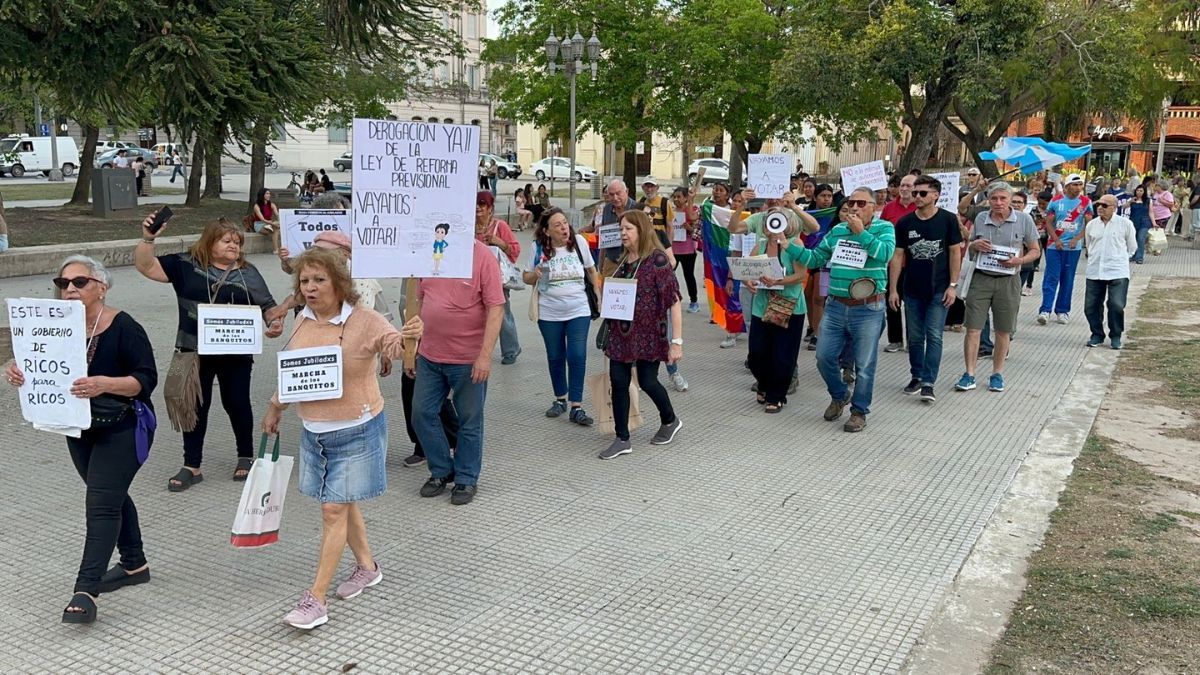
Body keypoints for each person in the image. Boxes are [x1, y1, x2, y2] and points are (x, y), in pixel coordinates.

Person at [263, 247, 424, 630]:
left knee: (333, 509)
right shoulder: (301, 320)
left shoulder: (365, 320)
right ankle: (367, 567)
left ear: (339, 283)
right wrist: (275, 407)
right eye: (304, 281)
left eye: (319, 280)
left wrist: (410, 338)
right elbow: (296, 373)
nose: (311, 288)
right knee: (343, 504)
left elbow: (397, 349)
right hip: (313, 431)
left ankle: (315, 598)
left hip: (357, 428)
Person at [5, 256, 158, 624]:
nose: (70, 289)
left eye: (80, 282)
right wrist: (17, 370)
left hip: (123, 426)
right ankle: (134, 564)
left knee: (101, 504)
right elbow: (36, 363)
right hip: (78, 428)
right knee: (108, 493)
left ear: (101, 287)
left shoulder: (124, 327)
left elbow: (145, 379)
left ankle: (85, 590)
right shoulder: (51, 326)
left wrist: (105, 383)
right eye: (63, 283)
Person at [134, 215, 285, 491]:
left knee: (237, 402)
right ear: (210, 241)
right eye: (227, 240)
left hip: (236, 352)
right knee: (193, 405)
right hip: (193, 351)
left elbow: (269, 307)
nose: (234, 246)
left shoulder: (247, 272)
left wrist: (275, 322)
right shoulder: (185, 265)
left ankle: (245, 456)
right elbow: (146, 266)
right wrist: (148, 238)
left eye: (237, 242)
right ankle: (192, 465)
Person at [782, 187, 895, 432]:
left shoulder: (885, 228)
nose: (854, 207)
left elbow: (884, 254)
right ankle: (840, 394)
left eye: (861, 203)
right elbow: (815, 259)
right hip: (835, 306)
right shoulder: (837, 230)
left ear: (873, 207)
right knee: (823, 358)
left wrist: (861, 233)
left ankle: (859, 411)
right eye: (850, 203)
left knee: (864, 365)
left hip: (867, 308)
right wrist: (786, 244)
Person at [412, 226, 504, 505]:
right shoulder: (429, 252)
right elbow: (419, 300)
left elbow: (496, 307)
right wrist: (411, 348)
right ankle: (441, 470)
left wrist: (485, 356)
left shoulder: (482, 256)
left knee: (469, 420)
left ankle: (466, 478)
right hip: (429, 355)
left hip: (467, 359)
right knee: (421, 413)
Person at [599, 210, 684, 459]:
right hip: (621, 334)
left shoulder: (657, 260)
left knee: (648, 381)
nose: (623, 233)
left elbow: (674, 301)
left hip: (649, 334)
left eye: (628, 229)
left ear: (641, 231)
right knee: (619, 382)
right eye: (621, 229)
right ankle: (622, 438)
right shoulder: (624, 261)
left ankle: (670, 419)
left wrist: (676, 342)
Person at [954, 183, 1040, 393]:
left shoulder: (1024, 220)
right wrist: (975, 245)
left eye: (1003, 198)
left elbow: (1035, 250)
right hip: (981, 278)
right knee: (973, 328)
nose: (998, 203)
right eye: (994, 199)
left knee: (1003, 330)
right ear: (988, 200)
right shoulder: (982, 218)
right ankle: (970, 373)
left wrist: (1019, 260)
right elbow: (971, 242)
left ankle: (997, 373)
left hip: (1009, 280)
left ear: (1010, 199)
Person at [887, 175, 962, 403]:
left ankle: (929, 382)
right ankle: (916, 376)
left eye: (922, 193)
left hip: (939, 287)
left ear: (936, 195)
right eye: (914, 192)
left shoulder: (948, 220)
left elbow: (954, 252)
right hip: (912, 288)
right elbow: (897, 255)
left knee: (935, 335)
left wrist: (952, 285)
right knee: (916, 336)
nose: (916, 196)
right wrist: (893, 289)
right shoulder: (905, 223)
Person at [524, 207, 599, 425]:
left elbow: (591, 270)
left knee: (577, 355)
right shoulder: (537, 247)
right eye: (557, 225)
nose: (564, 228)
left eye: (565, 223)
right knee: (556, 356)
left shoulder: (578, 243)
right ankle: (560, 399)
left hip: (579, 309)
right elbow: (526, 277)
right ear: (546, 231)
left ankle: (577, 405)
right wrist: (535, 273)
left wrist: (598, 295)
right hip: (549, 311)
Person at [743, 210, 809, 413]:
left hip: (789, 306)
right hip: (762, 305)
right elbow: (748, 270)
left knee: (783, 354)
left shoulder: (795, 244)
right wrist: (748, 281)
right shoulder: (760, 245)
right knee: (756, 353)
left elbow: (800, 275)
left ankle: (776, 395)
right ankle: (764, 383)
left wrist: (778, 281)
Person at [1068, 194, 1137, 350]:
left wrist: (1120, 259)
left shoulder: (1125, 224)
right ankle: (1097, 334)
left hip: (1117, 271)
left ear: (1114, 207)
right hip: (1095, 270)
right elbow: (1089, 245)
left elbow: (1132, 247)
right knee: (1091, 306)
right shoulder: (1092, 225)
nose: (1100, 207)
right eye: (1098, 204)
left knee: (1116, 305)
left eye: (1105, 205)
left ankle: (1116, 335)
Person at [1038, 173, 1092, 326]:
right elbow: (1048, 222)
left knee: (1067, 279)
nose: (1078, 188)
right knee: (1051, 278)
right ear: (1067, 186)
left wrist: (1077, 239)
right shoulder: (1056, 201)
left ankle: (1062, 311)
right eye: (1075, 185)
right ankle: (1045, 310)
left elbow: (1089, 224)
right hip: (1055, 247)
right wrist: (1056, 239)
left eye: (1080, 185)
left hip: (1073, 249)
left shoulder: (1086, 202)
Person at [474, 191, 522, 364]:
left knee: (502, 313)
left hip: (497, 279)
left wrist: (498, 241)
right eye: (476, 204)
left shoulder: (500, 226)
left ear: (490, 208)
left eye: (483, 204)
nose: (478, 207)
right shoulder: (470, 227)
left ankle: (511, 349)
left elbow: (515, 250)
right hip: (474, 278)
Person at [698, 182, 746, 348]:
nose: (737, 204)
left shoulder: (750, 219)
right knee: (732, 295)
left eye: (741, 202)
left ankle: (742, 328)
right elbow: (736, 248)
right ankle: (731, 332)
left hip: (752, 263)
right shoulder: (720, 214)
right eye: (736, 201)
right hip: (731, 262)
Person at [879, 173, 917, 353]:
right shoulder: (888, 208)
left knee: (911, 303)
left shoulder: (919, 207)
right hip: (892, 263)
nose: (904, 189)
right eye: (902, 185)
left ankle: (913, 340)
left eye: (908, 186)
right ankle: (895, 340)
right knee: (892, 301)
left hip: (913, 264)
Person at [670, 187, 701, 314]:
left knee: (689, 275)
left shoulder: (692, 210)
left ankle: (694, 301)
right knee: (668, 275)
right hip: (673, 249)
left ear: (686, 198)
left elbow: (697, 230)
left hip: (688, 249)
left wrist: (689, 228)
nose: (676, 199)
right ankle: (670, 299)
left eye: (679, 197)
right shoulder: (670, 211)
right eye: (675, 197)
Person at [1013, 192, 1042, 296]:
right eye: (1013, 202)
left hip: (1024, 263)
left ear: (1024, 205)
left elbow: (1036, 247)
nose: (1016, 205)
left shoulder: (1028, 219)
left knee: (1015, 293)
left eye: (1019, 202)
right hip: (1007, 264)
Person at [1128, 184, 1153, 264]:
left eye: (1141, 191)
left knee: (1141, 238)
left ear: (1144, 192)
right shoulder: (1132, 200)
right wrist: (1130, 202)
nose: (1139, 192)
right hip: (1133, 221)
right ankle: (1133, 255)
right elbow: (1123, 207)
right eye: (1137, 190)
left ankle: (1139, 257)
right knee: (1133, 239)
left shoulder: (1148, 200)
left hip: (1144, 221)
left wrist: (1154, 223)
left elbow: (1151, 212)